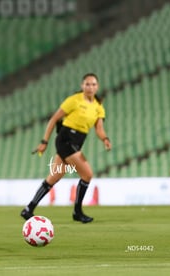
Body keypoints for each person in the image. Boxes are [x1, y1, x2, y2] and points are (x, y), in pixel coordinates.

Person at [20, 73, 112, 223]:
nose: (90, 87)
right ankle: (77, 212)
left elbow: (99, 128)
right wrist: (44, 141)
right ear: (82, 86)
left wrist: (105, 139)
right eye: (87, 84)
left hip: (77, 141)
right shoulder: (74, 100)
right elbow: (54, 119)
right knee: (87, 174)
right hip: (66, 139)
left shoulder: (98, 106)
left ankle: (28, 209)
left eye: (93, 84)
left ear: (98, 87)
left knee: (53, 177)